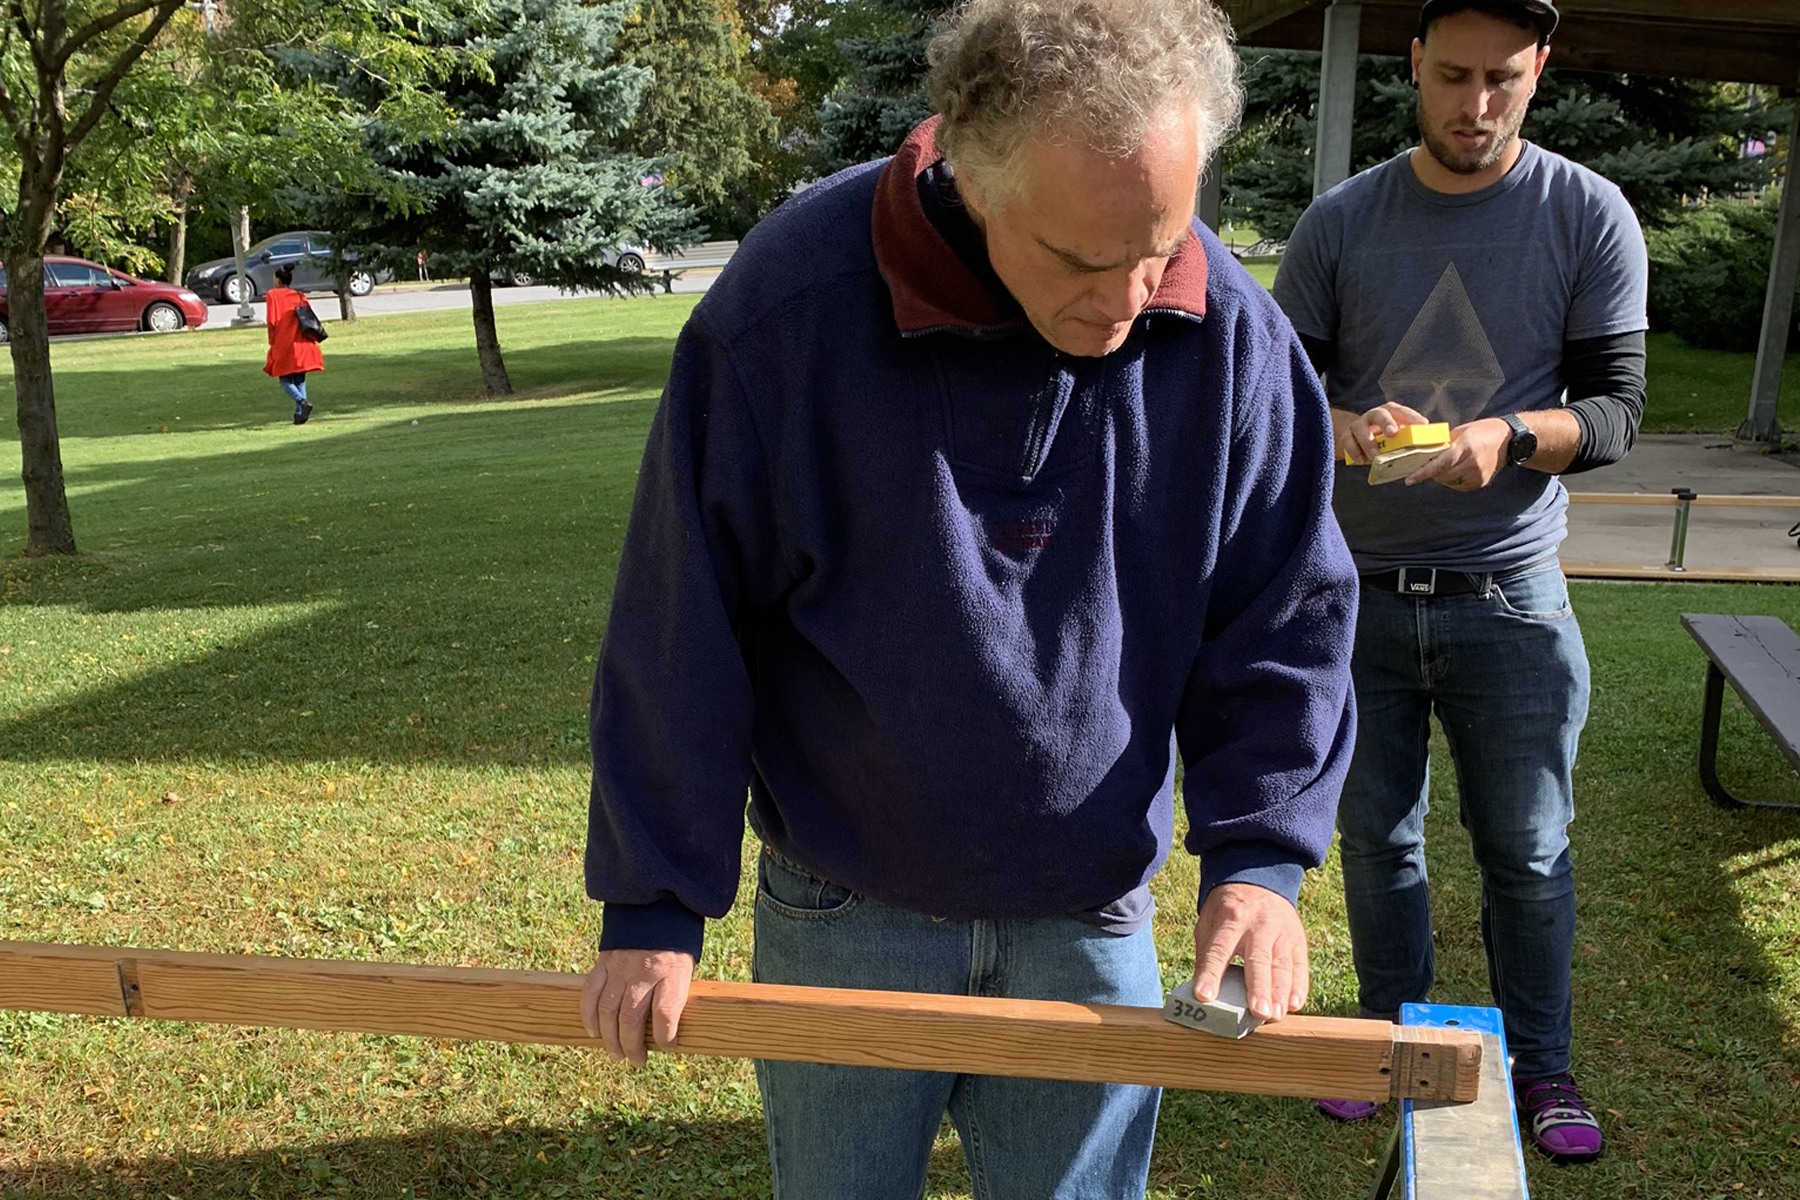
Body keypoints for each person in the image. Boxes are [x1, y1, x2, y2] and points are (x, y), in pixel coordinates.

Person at [581, 1, 1358, 1195]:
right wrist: (652, 904)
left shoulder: (1229, 332)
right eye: (1082, 261)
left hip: (1089, 908)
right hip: (848, 911)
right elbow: (683, 617)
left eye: (1162, 241)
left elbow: (1284, 612)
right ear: (972, 171)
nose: (1131, 296)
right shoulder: (789, 311)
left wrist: (1259, 862)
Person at [1272, 0, 1647, 1165]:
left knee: (1527, 854)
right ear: (1413, 68)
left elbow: (1617, 410)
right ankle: (1392, 1046)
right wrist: (1340, 423)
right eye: (1452, 77)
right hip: (1359, 600)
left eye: (1502, 81)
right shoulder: (1343, 221)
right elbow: (1275, 390)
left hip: (1511, 600)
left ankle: (1541, 1068)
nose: (1475, 107)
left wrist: (1514, 437)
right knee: (1378, 848)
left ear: (1540, 72)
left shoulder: (1588, 214)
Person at [263, 263, 324, 425]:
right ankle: (299, 415)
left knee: (285, 379)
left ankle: (301, 402)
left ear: (277, 280)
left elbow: (272, 321)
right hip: (302, 341)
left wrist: (272, 341)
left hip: (285, 341)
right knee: (299, 379)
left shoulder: (272, 295)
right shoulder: (298, 295)